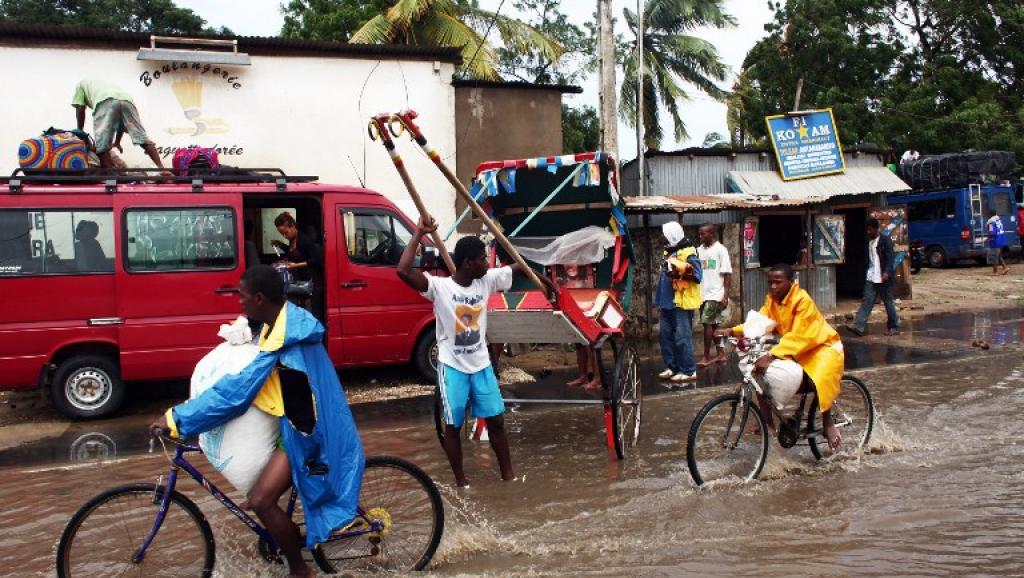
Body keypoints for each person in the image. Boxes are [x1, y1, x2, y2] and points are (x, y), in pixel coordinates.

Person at [149, 265, 364, 578]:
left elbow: (235, 394)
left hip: (309, 433)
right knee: (263, 497)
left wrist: (176, 418)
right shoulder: (281, 325)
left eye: (243, 296)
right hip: (299, 422)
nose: (240, 302)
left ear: (260, 298)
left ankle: (300, 571)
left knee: (261, 501)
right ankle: (287, 536)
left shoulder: (287, 340)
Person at [397, 217, 544, 487]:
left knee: (496, 421)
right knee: (453, 426)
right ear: (467, 263)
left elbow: (518, 268)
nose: (487, 264)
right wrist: (418, 233)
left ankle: (508, 478)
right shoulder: (440, 287)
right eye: (482, 259)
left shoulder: (485, 281)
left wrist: (545, 282)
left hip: (481, 365)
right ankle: (462, 483)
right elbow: (403, 271)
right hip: (452, 366)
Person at [715, 263, 844, 450]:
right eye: (770, 282)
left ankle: (827, 421)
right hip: (793, 347)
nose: (773, 286)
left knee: (820, 377)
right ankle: (768, 423)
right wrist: (732, 331)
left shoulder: (802, 300)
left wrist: (772, 356)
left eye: (778, 282)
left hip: (821, 347)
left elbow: (800, 335)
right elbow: (759, 323)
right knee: (760, 375)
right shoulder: (772, 300)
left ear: (791, 282)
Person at [71, 79, 166, 170]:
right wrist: (117, 142)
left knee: (102, 145)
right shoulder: (106, 86)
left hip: (105, 101)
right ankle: (162, 168)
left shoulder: (80, 85)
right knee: (142, 137)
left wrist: (80, 131)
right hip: (127, 101)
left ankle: (110, 176)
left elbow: (80, 108)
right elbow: (120, 124)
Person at [656, 222, 702, 384]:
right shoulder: (670, 251)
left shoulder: (689, 253)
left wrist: (678, 274)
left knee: (682, 338)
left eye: (664, 234)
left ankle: (688, 370)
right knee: (665, 337)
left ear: (672, 235)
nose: (661, 237)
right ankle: (674, 367)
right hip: (666, 302)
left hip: (681, 303)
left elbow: (698, 276)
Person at [849, 218, 899, 337]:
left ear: (876, 229)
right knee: (867, 301)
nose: (868, 232)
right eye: (867, 230)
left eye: (870, 230)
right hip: (871, 276)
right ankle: (858, 326)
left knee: (888, 302)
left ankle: (893, 327)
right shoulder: (869, 242)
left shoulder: (885, 241)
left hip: (883, 277)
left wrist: (886, 272)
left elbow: (890, 258)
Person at [272, 212, 324, 321]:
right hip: (302, 283)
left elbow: (317, 260)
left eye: (285, 232)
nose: (285, 236)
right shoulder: (292, 240)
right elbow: (293, 253)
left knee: (313, 316)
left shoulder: (305, 240)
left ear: (292, 226)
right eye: (282, 234)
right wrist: (280, 244)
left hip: (313, 284)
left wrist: (296, 265)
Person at [696, 223, 732, 367]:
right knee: (714, 327)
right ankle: (721, 354)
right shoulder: (698, 250)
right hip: (702, 294)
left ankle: (706, 356)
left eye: (703, 234)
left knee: (707, 324)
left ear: (711, 234)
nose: (700, 236)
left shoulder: (721, 250)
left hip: (715, 294)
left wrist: (725, 296)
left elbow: (727, 274)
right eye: (699, 234)